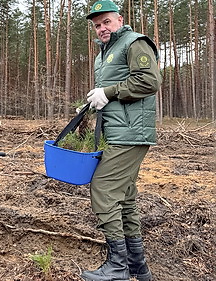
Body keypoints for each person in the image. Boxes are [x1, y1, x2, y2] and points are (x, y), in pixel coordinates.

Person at [80, 1, 161, 281]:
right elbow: (113, 91)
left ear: (119, 19)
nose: (102, 28)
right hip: (117, 131)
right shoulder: (105, 52)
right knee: (125, 198)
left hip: (131, 133)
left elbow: (149, 81)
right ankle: (137, 266)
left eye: (106, 22)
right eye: (97, 24)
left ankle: (117, 266)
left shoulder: (134, 43)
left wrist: (109, 92)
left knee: (103, 189)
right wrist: (96, 101)